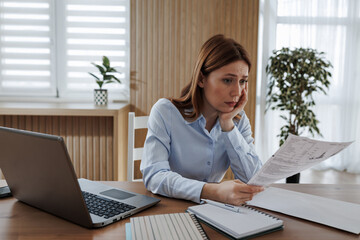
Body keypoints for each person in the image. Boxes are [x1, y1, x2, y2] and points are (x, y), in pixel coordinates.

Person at [140, 34, 263, 205]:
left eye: (243, 81)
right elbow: (154, 176)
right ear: (201, 79)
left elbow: (254, 180)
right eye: (228, 80)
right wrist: (213, 191)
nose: (237, 92)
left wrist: (228, 125)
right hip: (170, 207)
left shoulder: (238, 122)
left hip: (212, 211)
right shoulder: (165, 112)